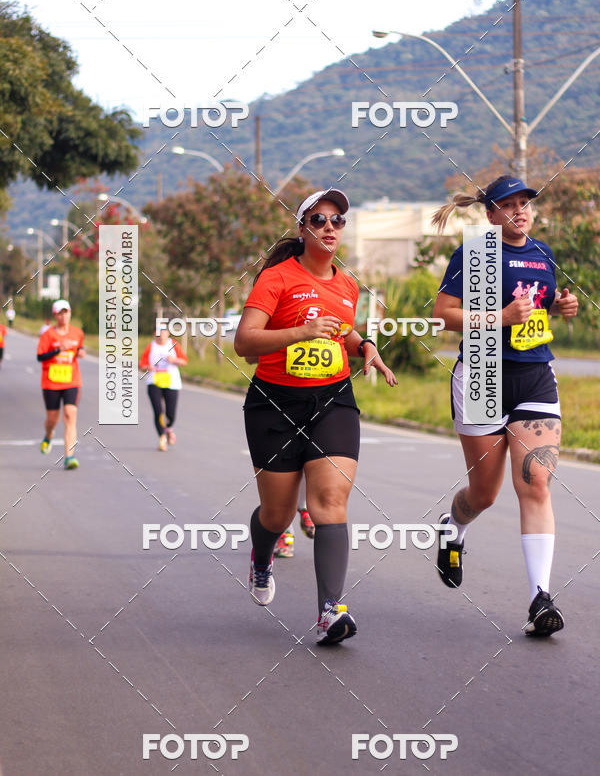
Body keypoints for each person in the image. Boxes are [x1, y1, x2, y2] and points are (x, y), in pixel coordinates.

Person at [234, 189, 397, 644]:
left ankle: (330, 610)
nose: (330, 227)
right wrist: (300, 331)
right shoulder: (276, 278)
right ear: (303, 227)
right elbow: (244, 343)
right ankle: (262, 557)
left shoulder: (346, 284)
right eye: (320, 219)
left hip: (332, 399)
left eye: (338, 221)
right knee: (278, 512)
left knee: (330, 503)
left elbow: (342, 330)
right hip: (275, 404)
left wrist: (364, 346)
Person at [432, 175, 578, 636]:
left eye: (525, 204)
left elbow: (535, 305)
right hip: (482, 375)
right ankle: (452, 529)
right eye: (508, 205)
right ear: (491, 214)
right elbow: (444, 313)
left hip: (534, 374)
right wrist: (499, 317)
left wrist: (558, 306)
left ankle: (540, 597)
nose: (520, 211)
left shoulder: (542, 254)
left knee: (535, 482)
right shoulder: (476, 254)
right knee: (485, 494)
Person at [37, 299, 86, 469]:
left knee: (70, 414)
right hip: (51, 382)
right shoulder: (48, 335)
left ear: (70, 313)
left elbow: (80, 348)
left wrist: (81, 352)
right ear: (55, 315)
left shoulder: (77, 332)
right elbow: (40, 357)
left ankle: (69, 457)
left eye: (66, 312)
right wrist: (59, 349)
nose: (64, 316)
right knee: (52, 419)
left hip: (71, 380)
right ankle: (49, 435)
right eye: (60, 312)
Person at [140, 326, 188, 451]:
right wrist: (147, 367)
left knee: (170, 414)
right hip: (154, 382)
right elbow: (142, 365)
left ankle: (169, 428)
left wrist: (175, 360)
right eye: (158, 331)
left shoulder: (174, 345)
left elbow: (184, 361)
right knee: (158, 411)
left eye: (163, 331)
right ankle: (162, 437)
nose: (160, 334)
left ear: (168, 333)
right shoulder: (151, 346)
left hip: (172, 382)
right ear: (154, 333)